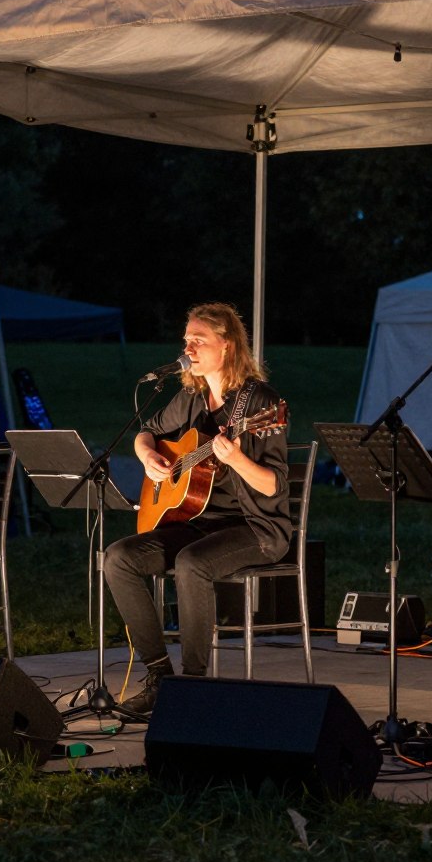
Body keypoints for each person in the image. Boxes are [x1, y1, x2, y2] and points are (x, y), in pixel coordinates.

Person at [105, 302, 291, 719]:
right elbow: (146, 433)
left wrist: (237, 460)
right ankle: (159, 677)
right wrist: (149, 459)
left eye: (198, 340)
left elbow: (274, 485)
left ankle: (192, 684)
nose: (188, 347)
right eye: (186, 339)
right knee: (118, 558)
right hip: (196, 521)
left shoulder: (261, 404)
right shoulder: (191, 397)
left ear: (226, 346)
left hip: (256, 527)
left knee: (191, 563)